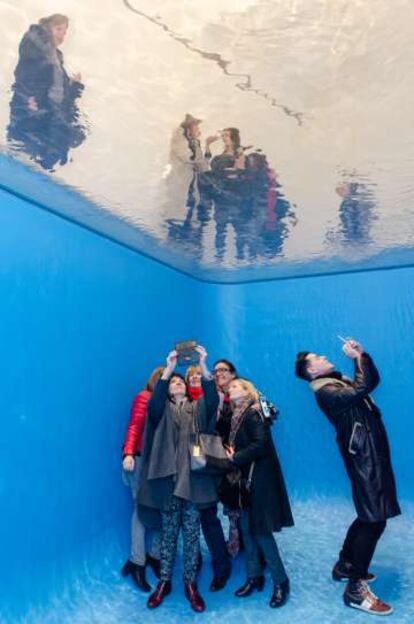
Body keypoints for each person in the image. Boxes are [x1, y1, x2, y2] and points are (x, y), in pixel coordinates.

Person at [295, 340, 401, 616]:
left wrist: (361, 357)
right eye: (316, 357)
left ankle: (345, 565)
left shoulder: (336, 383)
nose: (322, 356)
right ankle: (355, 590)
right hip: (364, 458)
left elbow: (364, 383)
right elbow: (364, 386)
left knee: (370, 514)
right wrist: (358, 357)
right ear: (311, 371)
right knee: (374, 519)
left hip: (369, 455)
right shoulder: (326, 391)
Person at [138, 346, 219, 613]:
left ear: (186, 388)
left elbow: (213, 398)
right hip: (168, 485)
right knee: (170, 536)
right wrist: (170, 367)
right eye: (172, 382)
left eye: (179, 381)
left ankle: (190, 584)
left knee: (193, 537)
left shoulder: (198, 408)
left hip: (193, 485)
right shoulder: (160, 410)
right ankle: (164, 583)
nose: (176, 384)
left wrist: (204, 363)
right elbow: (154, 403)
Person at [224, 378, 293, 608]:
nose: (230, 388)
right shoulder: (237, 416)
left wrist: (235, 457)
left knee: (261, 532)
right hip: (245, 483)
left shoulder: (253, 413)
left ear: (247, 391)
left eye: (235, 386)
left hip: (259, 482)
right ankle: (254, 577)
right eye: (230, 386)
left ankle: (281, 581)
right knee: (246, 529)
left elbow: (261, 445)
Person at [8, 14, 86, 171]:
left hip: (47, 117)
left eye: (64, 32)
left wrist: (73, 86)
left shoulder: (56, 60)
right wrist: (28, 100)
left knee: (50, 156)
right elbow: (28, 74)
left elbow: (60, 99)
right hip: (30, 112)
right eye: (58, 29)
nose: (62, 35)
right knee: (22, 155)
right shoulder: (35, 46)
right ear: (47, 28)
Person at [185, 365, 232, 591]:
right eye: (191, 376)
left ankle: (222, 567)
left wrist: (204, 368)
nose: (194, 379)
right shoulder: (181, 403)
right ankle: (195, 562)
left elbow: (212, 398)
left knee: (209, 522)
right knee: (190, 524)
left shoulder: (207, 401)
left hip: (202, 471)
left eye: (198, 377)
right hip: (183, 473)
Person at [120, 366, 164, 591]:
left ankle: (155, 555)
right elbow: (135, 426)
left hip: (159, 465)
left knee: (160, 509)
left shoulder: (168, 405)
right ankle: (138, 561)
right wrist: (128, 453)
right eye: (162, 379)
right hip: (138, 461)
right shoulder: (144, 397)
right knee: (141, 509)